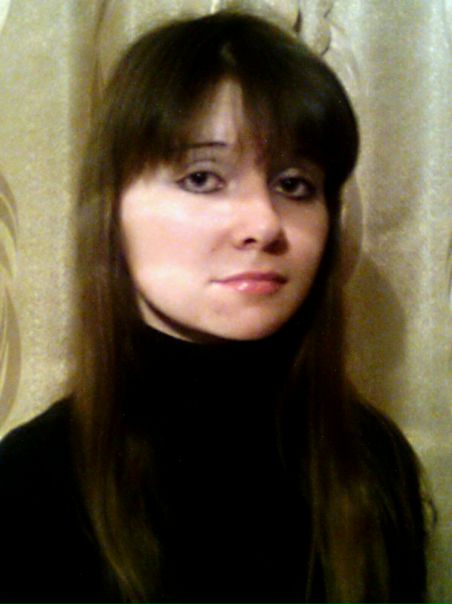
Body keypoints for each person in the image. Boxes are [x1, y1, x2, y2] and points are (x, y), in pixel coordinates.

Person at [0, 9, 430, 604]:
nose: (264, 224)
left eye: (294, 184)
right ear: (113, 212)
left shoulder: (373, 465)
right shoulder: (27, 485)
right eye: (202, 178)